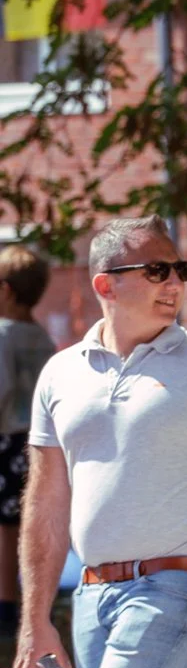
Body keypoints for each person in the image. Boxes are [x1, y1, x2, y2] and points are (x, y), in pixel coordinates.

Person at [11, 217, 187, 668]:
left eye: (180, 270)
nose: (175, 283)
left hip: (177, 588)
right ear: (105, 284)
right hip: (90, 594)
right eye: (158, 270)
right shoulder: (60, 373)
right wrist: (34, 619)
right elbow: (45, 503)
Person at [0, 245, 56, 633]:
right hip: (36, 438)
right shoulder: (42, 337)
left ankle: (5, 604)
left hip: (6, 437)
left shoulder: (2, 335)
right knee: (28, 521)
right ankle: (29, 602)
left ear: (5, 290)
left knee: (4, 528)